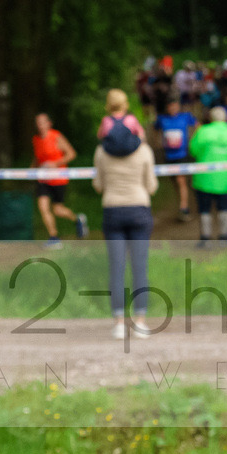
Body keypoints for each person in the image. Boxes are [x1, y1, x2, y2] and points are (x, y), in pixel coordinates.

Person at [92, 110, 159, 340]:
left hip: (112, 211)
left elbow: (98, 185)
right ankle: (140, 321)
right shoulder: (144, 151)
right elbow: (151, 186)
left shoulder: (101, 151)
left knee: (116, 269)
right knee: (140, 266)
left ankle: (119, 323)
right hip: (139, 210)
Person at [187, 106, 227, 247]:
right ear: (225, 118)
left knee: (204, 208)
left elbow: (193, 150)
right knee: (225, 207)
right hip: (226, 179)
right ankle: (224, 237)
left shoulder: (202, 132)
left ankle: (206, 238)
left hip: (204, 179)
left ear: (210, 118)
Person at [31, 112, 88, 248]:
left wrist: (55, 164)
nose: (40, 125)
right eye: (38, 123)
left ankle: (77, 219)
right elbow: (38, 158)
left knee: (57, 210)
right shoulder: (36, 140)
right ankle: (54, 237)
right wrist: (30, 170)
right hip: (43, 180)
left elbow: (72, 154)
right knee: (43, 206)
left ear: (49, 123)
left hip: (58, 179)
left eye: (42, 122)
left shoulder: (56, 137)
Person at [154, 98, 197, 222]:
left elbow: (197, 125)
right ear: (167, 108)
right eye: (170, 106)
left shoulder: (185, 117)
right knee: (175, 183)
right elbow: (155, 129)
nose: (172, 108)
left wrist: (192, 140)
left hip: (182, 154)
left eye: (175, 106)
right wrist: (158, 143)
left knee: (181, 180)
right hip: (168, 155)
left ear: (178, 106)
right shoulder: (162, 119)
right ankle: (181, 205)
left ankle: (184, 208)